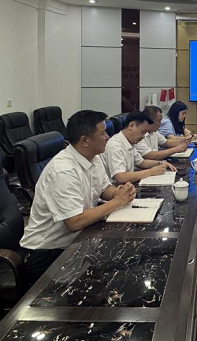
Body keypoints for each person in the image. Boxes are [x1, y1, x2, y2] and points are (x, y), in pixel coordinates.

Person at [19, 110, 136, 285]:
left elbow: (104, 188)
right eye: (103, 133)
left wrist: (121, 192)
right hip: (48, 254)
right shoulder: (63, 171)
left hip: (78, 242)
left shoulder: (93, 157)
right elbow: (74, 222)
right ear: (85, 140)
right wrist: (117, 201)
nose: (108, 137)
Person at [104, 110, 177, 183]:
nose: (143, 137)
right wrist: (151, 172)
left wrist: (160, 163)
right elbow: (120, 177)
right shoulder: (115, 145)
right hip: (117, 188)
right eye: (143, 132)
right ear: (131, 125)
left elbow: (141, 162)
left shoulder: (129, 142)